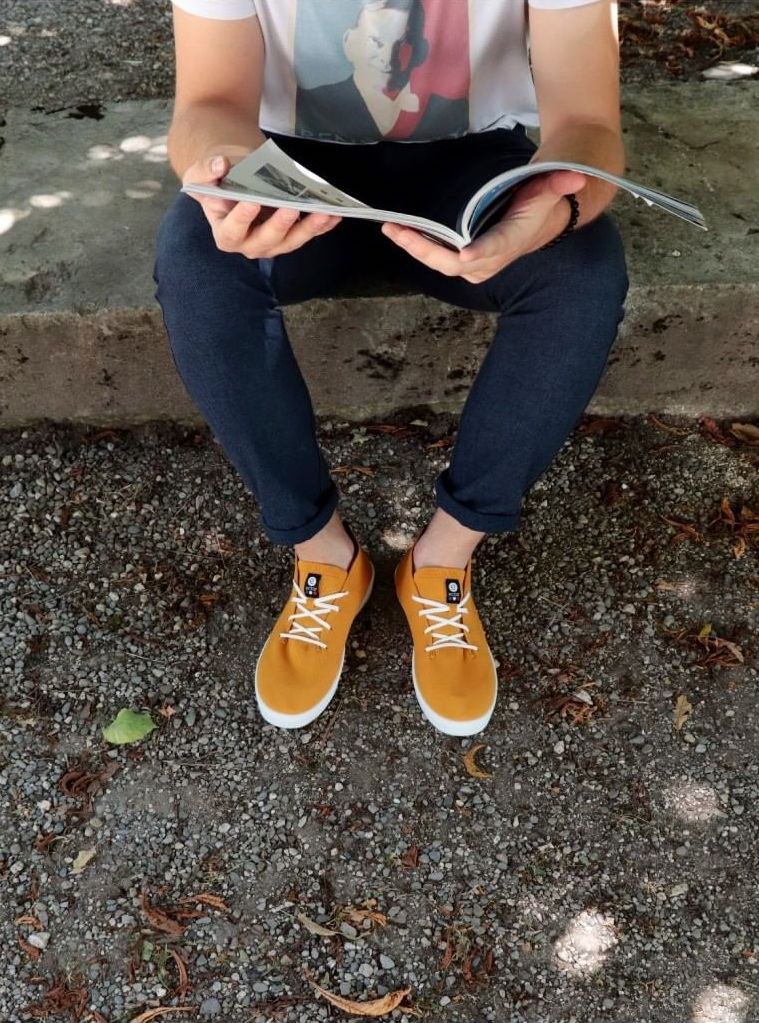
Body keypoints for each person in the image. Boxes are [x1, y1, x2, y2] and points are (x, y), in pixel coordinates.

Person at [154, 0, 629, 737]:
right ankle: (326, 558)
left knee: (584, 271)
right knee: (195, 261)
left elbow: (590, 126)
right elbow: (207, 105)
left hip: (470, 162)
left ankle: (441, 558)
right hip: (290, 169)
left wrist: (564, 207)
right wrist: (219, 175)